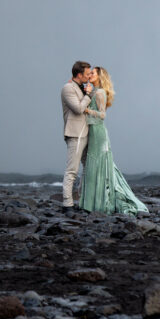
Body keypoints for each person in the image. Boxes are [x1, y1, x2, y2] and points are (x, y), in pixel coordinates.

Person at [79, 66, 148, 215]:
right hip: (92, 131)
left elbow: (102, 115)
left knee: (99, 164)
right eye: (89, 72)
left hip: (98, 132)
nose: (89, 74)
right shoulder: (92, 91)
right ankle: (90, 202)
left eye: (93, 73)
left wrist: (86, 110)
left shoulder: (100, 93)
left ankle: (101, 203)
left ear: (99, 76)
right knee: (93, 166)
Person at [61, 61, 93, 210]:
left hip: (86, 133)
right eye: (87, 74)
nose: (89, 76)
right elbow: (78, 109)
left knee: (87, 168)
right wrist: (88, 95)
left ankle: (82, 200)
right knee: (72, 170)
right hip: (74, 134)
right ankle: (67, 204)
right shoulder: (68, 88)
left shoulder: (81, 87)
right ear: (79, 74)